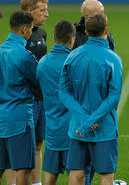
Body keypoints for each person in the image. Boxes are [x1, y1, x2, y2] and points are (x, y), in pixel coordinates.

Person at [59, 12, 123, 185]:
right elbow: (114, 96)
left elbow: (63, 92)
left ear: (86, 32)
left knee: (76, 173)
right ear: (106, 31)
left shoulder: (72, 56)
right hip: (104, 129)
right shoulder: (113, 59)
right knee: (106, 176)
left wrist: (84, 120)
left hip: (78, 128)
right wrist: (92, 121)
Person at [36, 21, 76, 185]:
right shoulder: (74, 62)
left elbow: (39, 88)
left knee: (50, 177)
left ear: (53, 37)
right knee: (78, 176)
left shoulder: (42, 63)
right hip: (73, 131)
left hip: (52, 130)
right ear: (72, 39)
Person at [0, 11, 37, 185]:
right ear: (24, 30)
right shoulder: (24, 55)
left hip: (1, 118)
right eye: (30, 29)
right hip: (19, 120)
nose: (31, 33)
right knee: (23, 169)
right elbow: (39, 82)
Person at [20, 0, 49, 185]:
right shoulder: (23, 35)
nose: (46, 14)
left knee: (39, 144)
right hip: (26, 99)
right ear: (29, 12)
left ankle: (37, 183)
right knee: (22, 148)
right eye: (42, 10)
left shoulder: (42, 33)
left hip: (41, 97)